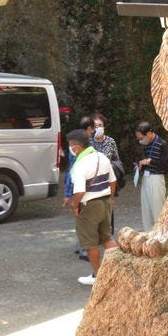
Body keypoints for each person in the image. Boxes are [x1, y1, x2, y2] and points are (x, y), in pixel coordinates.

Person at [67, 129, 117, 285]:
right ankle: (119, 270)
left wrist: (75, 206)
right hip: (105, 201)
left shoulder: (80, 165)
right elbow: (113, 180)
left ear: (76, 147)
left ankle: (98, 276)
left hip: (89, 205)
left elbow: (80, 191)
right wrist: (110, 198)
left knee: (90, 243)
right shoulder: (101, 156)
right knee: (107, 238)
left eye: (70, 146)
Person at [62, 117, 95, 261]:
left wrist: (68, 192)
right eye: (93, 129)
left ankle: (80, 245)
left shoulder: (74, 143)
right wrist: (69, 193)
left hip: (75, 185)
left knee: (80, 216)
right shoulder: (83, 146)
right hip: (82, 186)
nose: (94, 132)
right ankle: (84, 249)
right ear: (88, 129)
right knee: (85, 218)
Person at [134, 122, 168, 230]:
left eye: (142, 137)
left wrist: (151, 161)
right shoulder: (146, 145)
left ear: (149, 133)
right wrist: (140, 165)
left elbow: (166, 165)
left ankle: (159, 233)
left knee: (157, 208)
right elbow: (143, 161)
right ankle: (148, 232)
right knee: (146, 208)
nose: (141, 140)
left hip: (156, 178)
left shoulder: (162, 144)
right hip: (146, 178)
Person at [91, 112, 123, 232]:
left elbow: (117, 159)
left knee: (108, 204)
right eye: (95, 126)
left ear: (104, 127)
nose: (98, 128)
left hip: (108, 180)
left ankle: (108, 231)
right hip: (93, 181)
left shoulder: (111, 141)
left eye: (100, 125)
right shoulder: (88, 142)